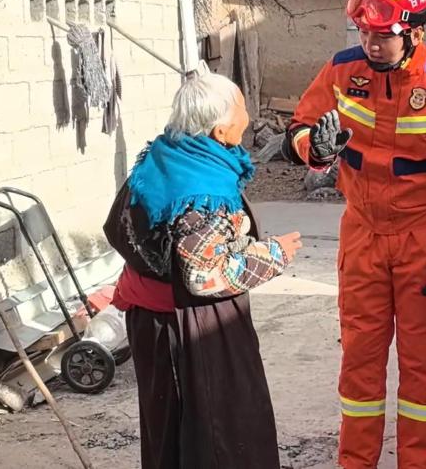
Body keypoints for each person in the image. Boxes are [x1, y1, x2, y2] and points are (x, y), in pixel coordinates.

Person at [283, 0, 426, 468]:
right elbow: (299, 128)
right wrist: (315, 148)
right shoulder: (342, 69)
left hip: (424, 242)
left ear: (416, 32)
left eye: (383, 36)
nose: (371, 44)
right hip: (362, 235)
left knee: (423, 372)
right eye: (364, 33)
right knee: (359, 366)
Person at [103, 63, 302, 469]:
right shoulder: (199, 190)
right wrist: (273, 254)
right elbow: (203, 275)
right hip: (187, 327)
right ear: (220, 131)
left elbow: (118, 228)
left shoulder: (165, 156)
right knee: (218, 433)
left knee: (169, 432)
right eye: (242, 109)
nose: (248, 116)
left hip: (153, 321)